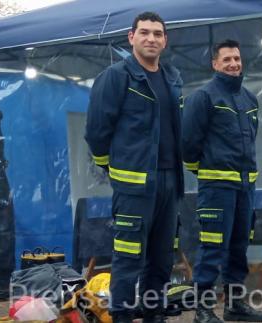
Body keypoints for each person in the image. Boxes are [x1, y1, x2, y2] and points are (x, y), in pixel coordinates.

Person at [85, 12, 184, 323]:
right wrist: (113, 170)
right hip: (134, 186)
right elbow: (97, 132)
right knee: (128, 259)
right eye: (144, 32)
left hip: (169, 182)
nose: (151, 38)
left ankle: (155, 316)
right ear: (131, 38)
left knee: (161, 259)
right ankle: (123, 318)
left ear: (165, 41)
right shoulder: (116, 77)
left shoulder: (172, 79)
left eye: (157, 33)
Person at [182, 39, 262, 323]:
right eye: (227, 59)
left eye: (237, 58)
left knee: (239, 247)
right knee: (212, 249)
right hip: (217, 189)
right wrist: (207, 172)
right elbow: (188, 145)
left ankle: (234, 305)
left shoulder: (250, 99)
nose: (234, 63)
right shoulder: (203, 97)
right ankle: (203, 310)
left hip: (245, 188)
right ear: (215, 64)